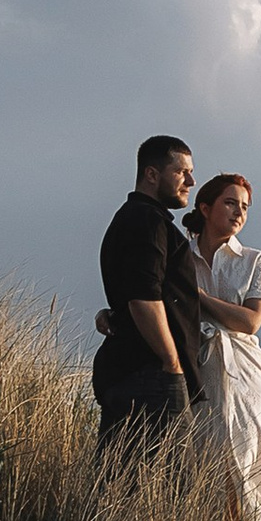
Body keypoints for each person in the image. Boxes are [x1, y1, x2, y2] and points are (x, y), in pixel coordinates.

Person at [93, 133, 212, 454]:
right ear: (151, 174)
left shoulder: (136, 219)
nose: (191, 180)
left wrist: (110, 313)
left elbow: (134, 292)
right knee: (173, 489)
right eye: (181, 172)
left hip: (132, 371)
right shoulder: (146, 221)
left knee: (119, 485)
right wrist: (172, 362)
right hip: (151, 376)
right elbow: (144, 299)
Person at [187, 171, 261, 521]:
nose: (239, 212)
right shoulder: (181, 256)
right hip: (197, 364)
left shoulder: (254, 260)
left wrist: (197, 298)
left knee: (243, 454)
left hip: (243, 369)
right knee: (199, 455)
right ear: (206, 208)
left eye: (244, 206)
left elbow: (251, 321)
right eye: (230, 203)